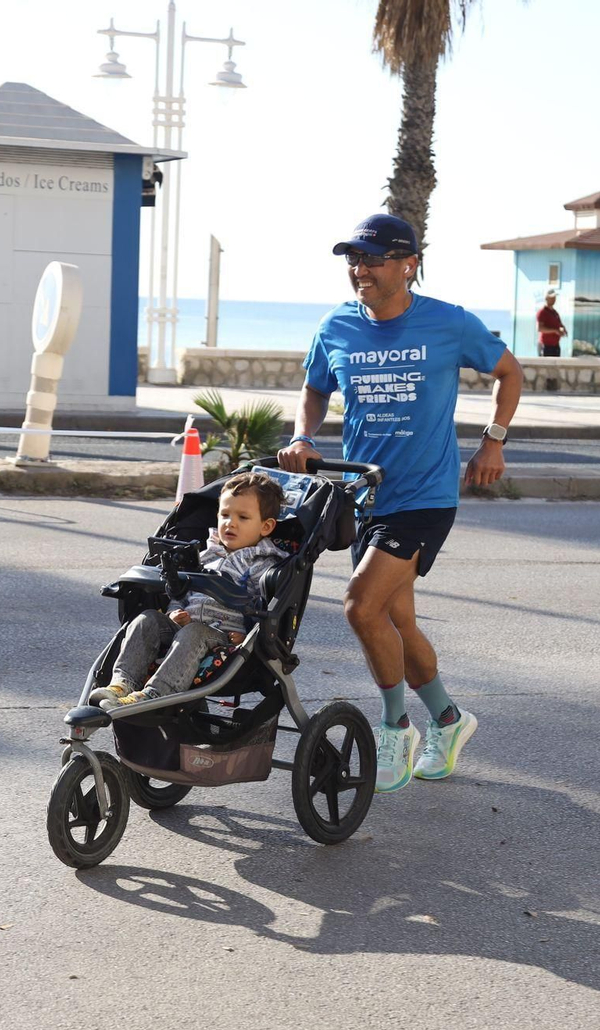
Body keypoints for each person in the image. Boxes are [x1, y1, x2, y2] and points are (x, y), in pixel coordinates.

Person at [277, 212, 522, 793]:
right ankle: (449, 719)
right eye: (353, 260)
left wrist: (494, 440)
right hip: (366, 494)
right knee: (396, 618)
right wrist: (302, 436)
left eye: (372, 259)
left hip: (426, 494)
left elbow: (509, 372)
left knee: (361, 606)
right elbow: (315, 388)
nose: (360, 270)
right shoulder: (335, 326)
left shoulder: (449, 323)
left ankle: (395, 727)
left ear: (409, 263)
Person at [90, 472, 289, 709]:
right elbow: (181, 591)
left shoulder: (262, 564)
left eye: (243, 517)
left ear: (265, 526)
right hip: (181, 628)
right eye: (224, 515)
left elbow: (263, 607)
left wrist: (247, 634)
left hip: (223, 636)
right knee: (147, 619)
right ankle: (122, 683)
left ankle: (157, 692)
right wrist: (174, 611)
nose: (230, 523)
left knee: (195, 631)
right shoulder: (205, 555)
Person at [536, 289, 567, 357]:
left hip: (555, 346)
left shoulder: (555, 313)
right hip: (546, 346)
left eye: (554, 297)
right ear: (546, 298)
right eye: (551, 298)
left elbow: (559, 324)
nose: (554, 299)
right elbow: (540, 328)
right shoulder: (542, 312)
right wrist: (555, 331)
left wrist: (563, 329)